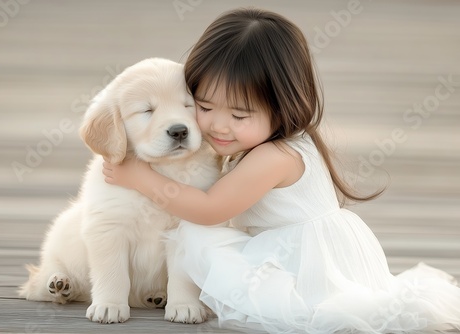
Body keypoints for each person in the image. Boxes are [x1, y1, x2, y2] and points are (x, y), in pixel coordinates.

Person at [102, 7, 460, 333]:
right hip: (301, 252)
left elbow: (210, 211)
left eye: (239, 115)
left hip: (303, 270)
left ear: (284, 105)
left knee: (193, 236)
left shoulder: (275, 157)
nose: (218, 127)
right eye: (205, 107)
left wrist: (141, 177)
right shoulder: (270, 141)